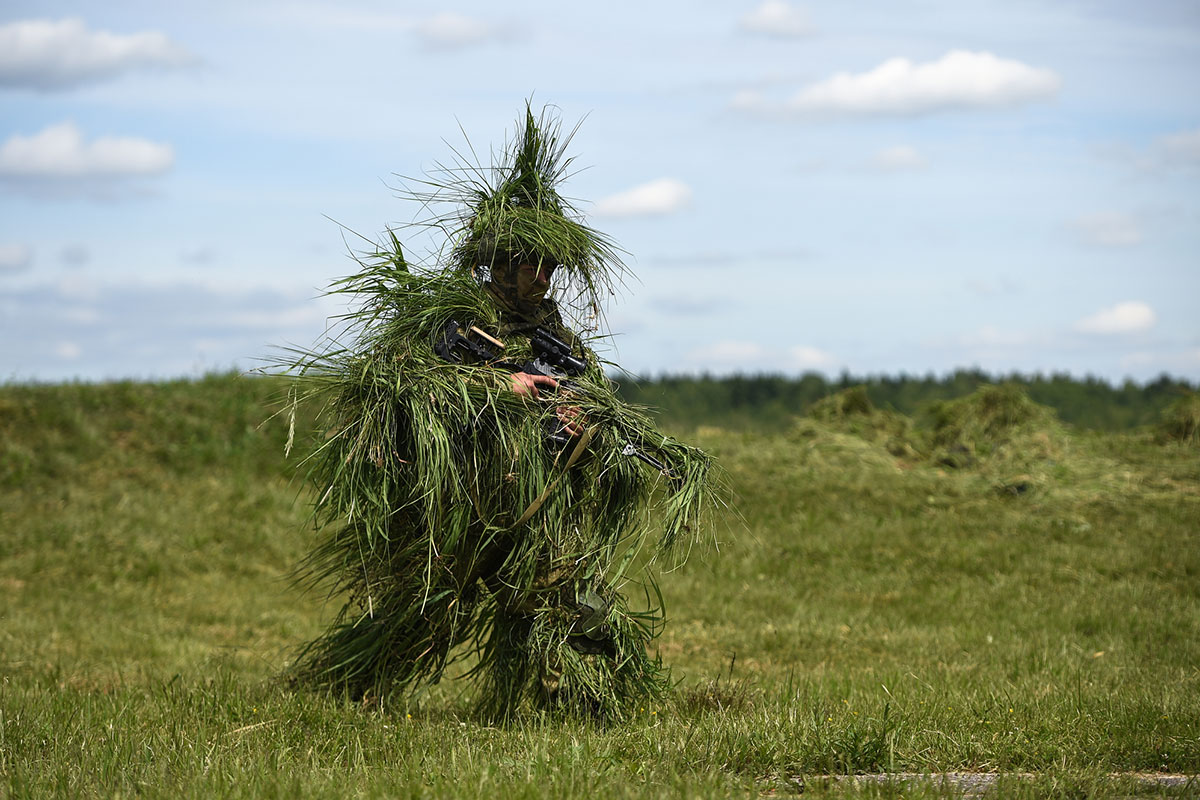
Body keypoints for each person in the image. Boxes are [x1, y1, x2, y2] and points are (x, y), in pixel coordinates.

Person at [286, 104, 719, 719]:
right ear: (500, 262)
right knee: (428, 605)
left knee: (561, 596)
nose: (543, 277)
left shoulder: (557, 337)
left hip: (535, 499)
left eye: (551, 267)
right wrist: (500, 387)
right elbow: (411, 386)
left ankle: (583, 703)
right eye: (530, 264)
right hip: (463, 499)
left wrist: (576, 413)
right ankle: (352, 690)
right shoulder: (455, 320)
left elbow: (588, 394)